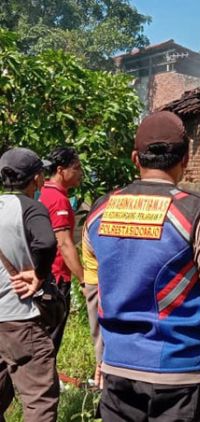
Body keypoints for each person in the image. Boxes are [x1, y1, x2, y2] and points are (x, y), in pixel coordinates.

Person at [83, 111, 200, 421]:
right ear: (186, 158)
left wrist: (103, 357)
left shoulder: (98, 213)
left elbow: (94, 293)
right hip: (182, 376)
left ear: (135, 158)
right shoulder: (197, 215)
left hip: (117, 372)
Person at [0, 147, 59, 422]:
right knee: (39, 401)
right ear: (36, 178)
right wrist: (39, 274)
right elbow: (46, 242)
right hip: (19, 318)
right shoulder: (31, 207)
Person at [39, 147, 84, 351]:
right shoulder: (58, 200)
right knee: (50, 342)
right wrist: (84, 279)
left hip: (44, 276)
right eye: (76, 168)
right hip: (56, 279)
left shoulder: (43, 192)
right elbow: (64, 244)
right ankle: (46, 382)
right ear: (60, 170)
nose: (80, 173)